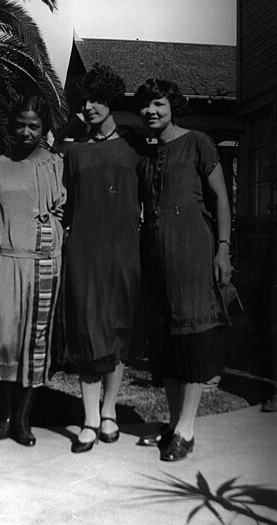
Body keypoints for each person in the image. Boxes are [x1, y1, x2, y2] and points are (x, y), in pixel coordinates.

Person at [133, 78, 232, 461]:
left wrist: (223, 249)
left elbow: (221, 198)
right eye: (145, 106)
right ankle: (174, 426)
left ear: (172, 105)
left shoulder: (198, 143)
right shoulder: (145, 154)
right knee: (168, 346)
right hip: (156, 259)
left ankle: (187, 431)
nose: (151, 112)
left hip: (192, 254)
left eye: (158, 104)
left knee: (191, 340)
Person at [61, 64, 144, 453]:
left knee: (118, 328)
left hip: (124, 250)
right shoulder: (73, 151)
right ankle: (90, 419)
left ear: (110, 101)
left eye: (96, 99)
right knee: (88, 328)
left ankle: (109, 411)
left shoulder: (134, 148)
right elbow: (62, 205)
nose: (89, 107)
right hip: (85, 251)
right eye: (84, 101)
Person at [0, 96, 65, 446]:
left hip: (42, 261)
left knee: (36, 340)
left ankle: (22, 419)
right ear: (11, 124)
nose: (27, 131)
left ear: (44, 127)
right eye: (20, 124)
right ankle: (3, 412)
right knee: (5, 338)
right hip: (3, 260)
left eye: (34, 125)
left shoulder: (55, 165)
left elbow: (63, 208)